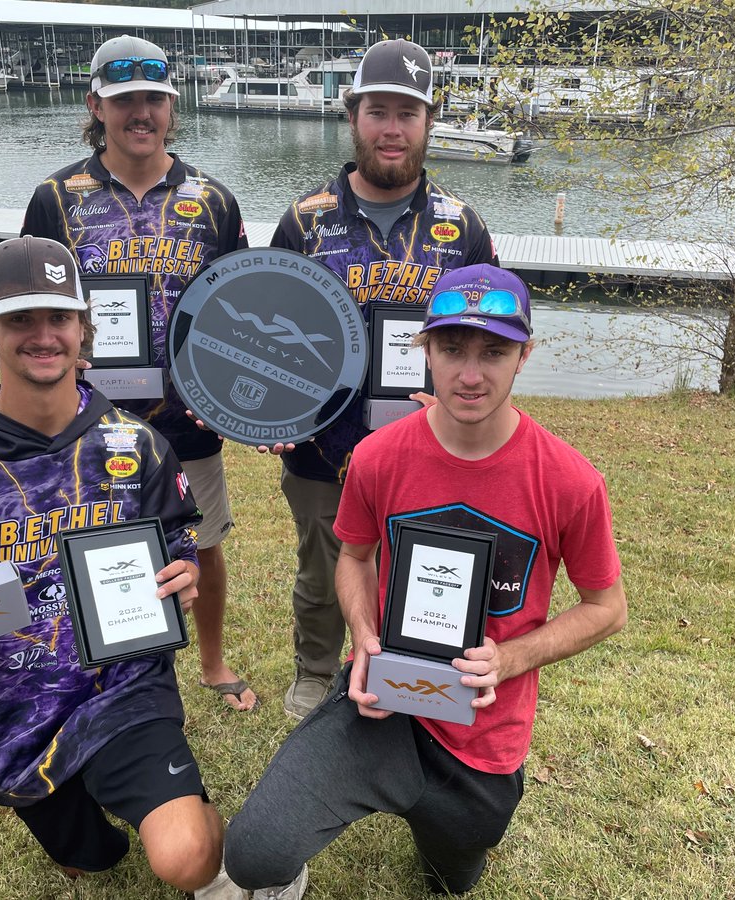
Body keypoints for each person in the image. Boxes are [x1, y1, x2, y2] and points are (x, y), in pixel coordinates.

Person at [224, 264, 628, 897]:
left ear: (523, 355)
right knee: (253, 856)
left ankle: (448, 837)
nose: (471, 374)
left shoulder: (569, 481)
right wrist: (362, 636)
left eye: (494, 351)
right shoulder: (381, 455)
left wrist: (510, 658)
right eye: (452, 349)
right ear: (426, 352)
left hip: (483, 740)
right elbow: (354, 558)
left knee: (449, 881)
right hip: (382, 705)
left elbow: (606, 607)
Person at [0, 236, 228, 894]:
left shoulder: (137, 445)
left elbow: (177, 539)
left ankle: (192, 818)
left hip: (127, 691)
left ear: (83, 327)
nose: (43, 336)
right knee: (90, 863)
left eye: (59, 318)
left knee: (188, 858)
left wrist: (184, 572)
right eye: (20, 320)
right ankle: (74, 821)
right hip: (19, 718)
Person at [21, 34, 257, 711]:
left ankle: (211, 664)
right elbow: (38, 311)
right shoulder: (54, 198)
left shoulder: (214, 199)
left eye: (155, 99)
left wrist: (236, 395)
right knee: (93, 542)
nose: (141, 113)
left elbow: (237, 305)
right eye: (125, 100)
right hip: (87, 412)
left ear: (172, 108)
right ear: (97, 105)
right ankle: (107, 672)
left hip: (192, 413)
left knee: (204, 541)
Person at [270, 38, 500, 719]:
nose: (392, 128)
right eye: (378, 111)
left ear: (429, 121)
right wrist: (274, 412)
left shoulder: (462, 229)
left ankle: (410, 672)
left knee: (420, 566)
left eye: (408, 112)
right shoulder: (304, 221)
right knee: (320, 570)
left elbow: (489, 341)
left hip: (429, 445)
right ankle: (315, 670)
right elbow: (271, 325)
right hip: (321, 447)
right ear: (353, 117)